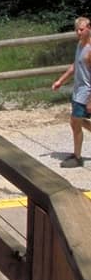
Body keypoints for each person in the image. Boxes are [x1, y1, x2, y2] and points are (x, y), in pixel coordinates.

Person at [51, 16, 91, 168]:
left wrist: (90, 100)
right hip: (78, 91)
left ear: (89, 29)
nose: (78, 32)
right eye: (76, 30)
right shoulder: (80, 46)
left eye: (81, 29)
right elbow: (75, 66)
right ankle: (77, 154)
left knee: (75, 122)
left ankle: (77, 156)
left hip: (86, 93)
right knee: (76, 122)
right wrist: (60, 81)